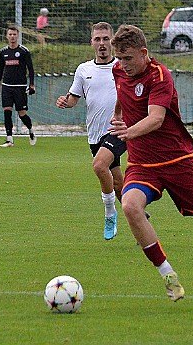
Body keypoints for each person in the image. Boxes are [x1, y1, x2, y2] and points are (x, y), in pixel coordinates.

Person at [109, 24, 193, 303]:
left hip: (178, 161)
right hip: (143, 164)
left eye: (128, 58)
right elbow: (122, 93)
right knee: (130, 205)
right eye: (119, 58)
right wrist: (118, 115)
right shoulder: (118, 71)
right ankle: (168, 275)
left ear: (144, 53)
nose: (123, 64)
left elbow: (156, 118)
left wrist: (128, 132)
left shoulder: (161, 76)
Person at [56, 22, 127, 240]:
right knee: (116, 182)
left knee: (99, 166)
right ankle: (136, 210)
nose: (102, 43)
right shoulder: (83, 70)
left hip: (118, 130)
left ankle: (109, 213)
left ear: (112, 42)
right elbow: (74, 99)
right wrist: (65, 102)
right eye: (98, 39)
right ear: (92, 43)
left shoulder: (123, 68)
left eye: (106, 39)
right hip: (95, 135)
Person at [0, 25, 36, 147]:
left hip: (20, 86)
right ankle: (9, 139)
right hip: (6, 86)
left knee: (21, 113)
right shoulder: (3, 52)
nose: (12, 37)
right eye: (10, 34)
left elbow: (31, 69)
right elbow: (0, 70)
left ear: (18, 36)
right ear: (7, 36)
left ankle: (31, 129)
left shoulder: (24, 51)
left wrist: (31, 85)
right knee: (7, 112)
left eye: (14, 34)